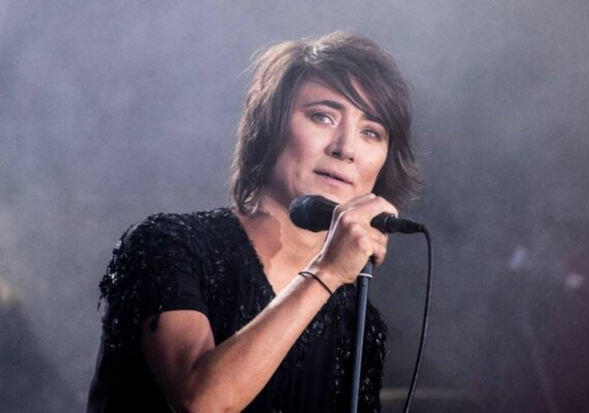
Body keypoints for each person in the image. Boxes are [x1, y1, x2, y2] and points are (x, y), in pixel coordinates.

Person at [87, 31, 420, 413]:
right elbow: (201, 402)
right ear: (270, 127)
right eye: (322, 117)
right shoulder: (168, 245)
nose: (345, 148)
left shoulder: (359, 322)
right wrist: (327, 272)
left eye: (370, 133)